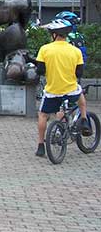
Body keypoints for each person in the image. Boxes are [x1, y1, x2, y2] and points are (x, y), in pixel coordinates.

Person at [35, 19, 91, 157]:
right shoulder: (75, 51)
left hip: (52, 91)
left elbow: (40, 70)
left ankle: (41, 146)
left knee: (43, 115)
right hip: (71, 89)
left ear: (54, 34)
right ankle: (84, 119)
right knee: (80, 95)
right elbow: (79, 73)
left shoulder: (45, 49)